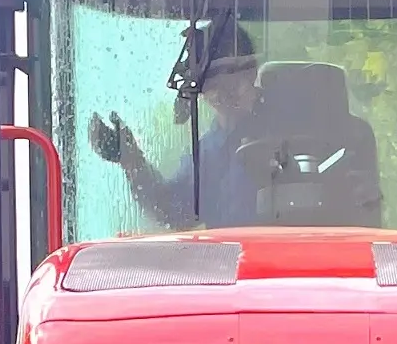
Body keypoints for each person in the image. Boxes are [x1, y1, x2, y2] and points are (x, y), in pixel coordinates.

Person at [85, 31, 264, 229]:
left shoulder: (293, 117)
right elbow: (174, 212)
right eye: (210, 79)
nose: (220, 89)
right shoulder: (208, 154)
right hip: (235, 258)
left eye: (228, 73)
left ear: (251, 71)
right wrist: (131, 159)